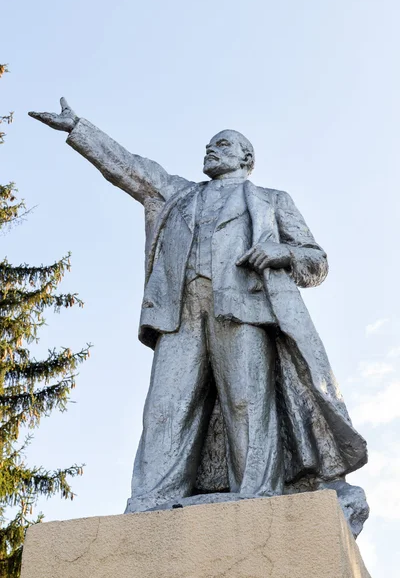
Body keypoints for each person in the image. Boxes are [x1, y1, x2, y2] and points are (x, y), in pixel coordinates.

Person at [29, 99, 368, 524]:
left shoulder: (270, 200)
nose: (210, 150)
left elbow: (315, 261)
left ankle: (255, 493)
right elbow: (131, 168)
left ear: (247, 158)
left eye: (222, 145)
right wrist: (78, 128)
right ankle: (153, 499)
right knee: (166, 407)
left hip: (242, 308)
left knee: (247, 402)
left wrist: (280, 251)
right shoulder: (179, 195)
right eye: (208, 145)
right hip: (180, 313)